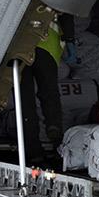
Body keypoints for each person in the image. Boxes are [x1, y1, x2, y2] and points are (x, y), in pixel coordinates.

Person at [20, 13, 75, 163]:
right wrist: (70, 39)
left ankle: (32, 149)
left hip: (18, 46)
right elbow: (66, 10)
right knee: (49, 93)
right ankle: (55, 134)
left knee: (24, 99)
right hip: (47, 43)